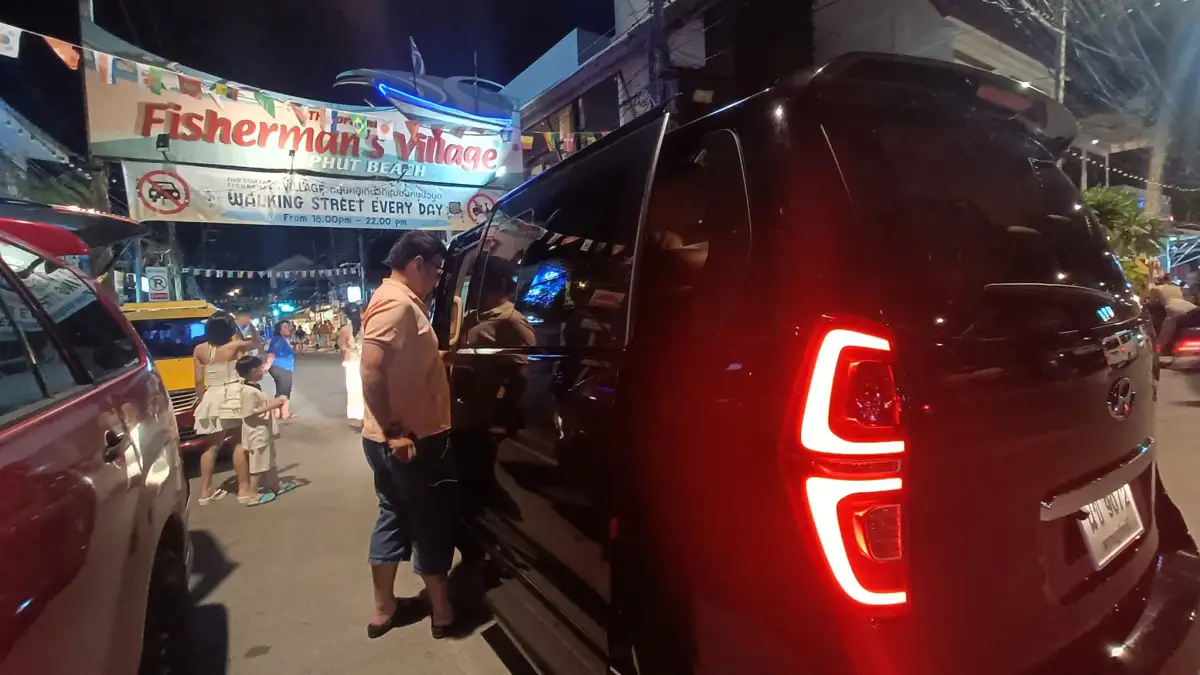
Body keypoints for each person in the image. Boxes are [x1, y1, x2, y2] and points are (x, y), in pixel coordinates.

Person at [360, 231, 459, 639]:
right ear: (418, 263)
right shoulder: (397, 304)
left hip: (390, 437)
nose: (437, 278)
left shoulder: (394, 299)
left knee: (393, 514)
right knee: (427, 519)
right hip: (409, 439)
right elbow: (371, 368)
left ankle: (384, 610)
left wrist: (440, 358)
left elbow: (403, 360)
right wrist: (395, 432)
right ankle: (442, 611)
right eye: (436, 269)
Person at [192, 315, 273, 506]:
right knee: (239, 443)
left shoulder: (199, 349)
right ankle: (243, 490)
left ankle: (205, 492)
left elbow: (198, 380)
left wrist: (203, 400)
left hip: (212, 395)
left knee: (211, 446)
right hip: (233, 395)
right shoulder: (234, 346)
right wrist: (249, 324)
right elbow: (256, 343)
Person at [234, 355, 297, 501]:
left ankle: (276, 485)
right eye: (261, 368)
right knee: (258, 465)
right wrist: (272, 405)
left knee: (269, 460)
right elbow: (249, 412)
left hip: (263, 430)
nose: (263, 371)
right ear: (253, 371)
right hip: (257, 433)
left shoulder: (253, 387)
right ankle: (253, 493)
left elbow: (259, 405)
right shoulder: (248, 391)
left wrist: (273, 402)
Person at [338, 304, 364, 427]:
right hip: (363, 359)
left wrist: (347, 350)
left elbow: (342, 345)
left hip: (353, 361)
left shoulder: (345, 329)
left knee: (355, 390)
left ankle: (360, 416)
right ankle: (367, 416)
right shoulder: (367, 326)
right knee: (365, 389)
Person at [267, 321, 298, 419]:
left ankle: (277, 413)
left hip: (282, 367)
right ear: (279, 330)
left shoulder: (280, 339)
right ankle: (284, 413)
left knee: (281, 391)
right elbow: (271, 353)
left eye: (288, 326)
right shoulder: (278, 340)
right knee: (285, 391)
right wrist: (267, 364)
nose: (288, 328)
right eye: (284, 327)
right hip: (282, 367)